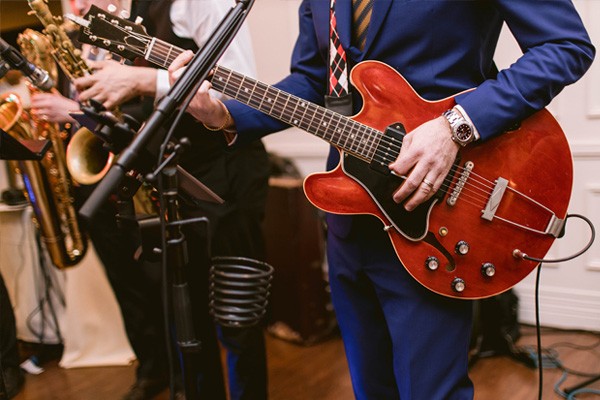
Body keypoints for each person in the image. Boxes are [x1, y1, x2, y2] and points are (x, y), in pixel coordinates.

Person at [167, 1, 595, 399]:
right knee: (371, 388)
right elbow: (315, 78)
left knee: (431, 392)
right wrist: (224, 114)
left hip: (438, 211)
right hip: (349, 214)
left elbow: (565, 45)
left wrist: (455, 126)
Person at [33, 0, 270, 399]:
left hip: (228, 171)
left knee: (236, 318)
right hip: (174, 174)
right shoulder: (130, 11)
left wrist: (141, 81)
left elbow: (243, 85)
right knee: (186, 318)